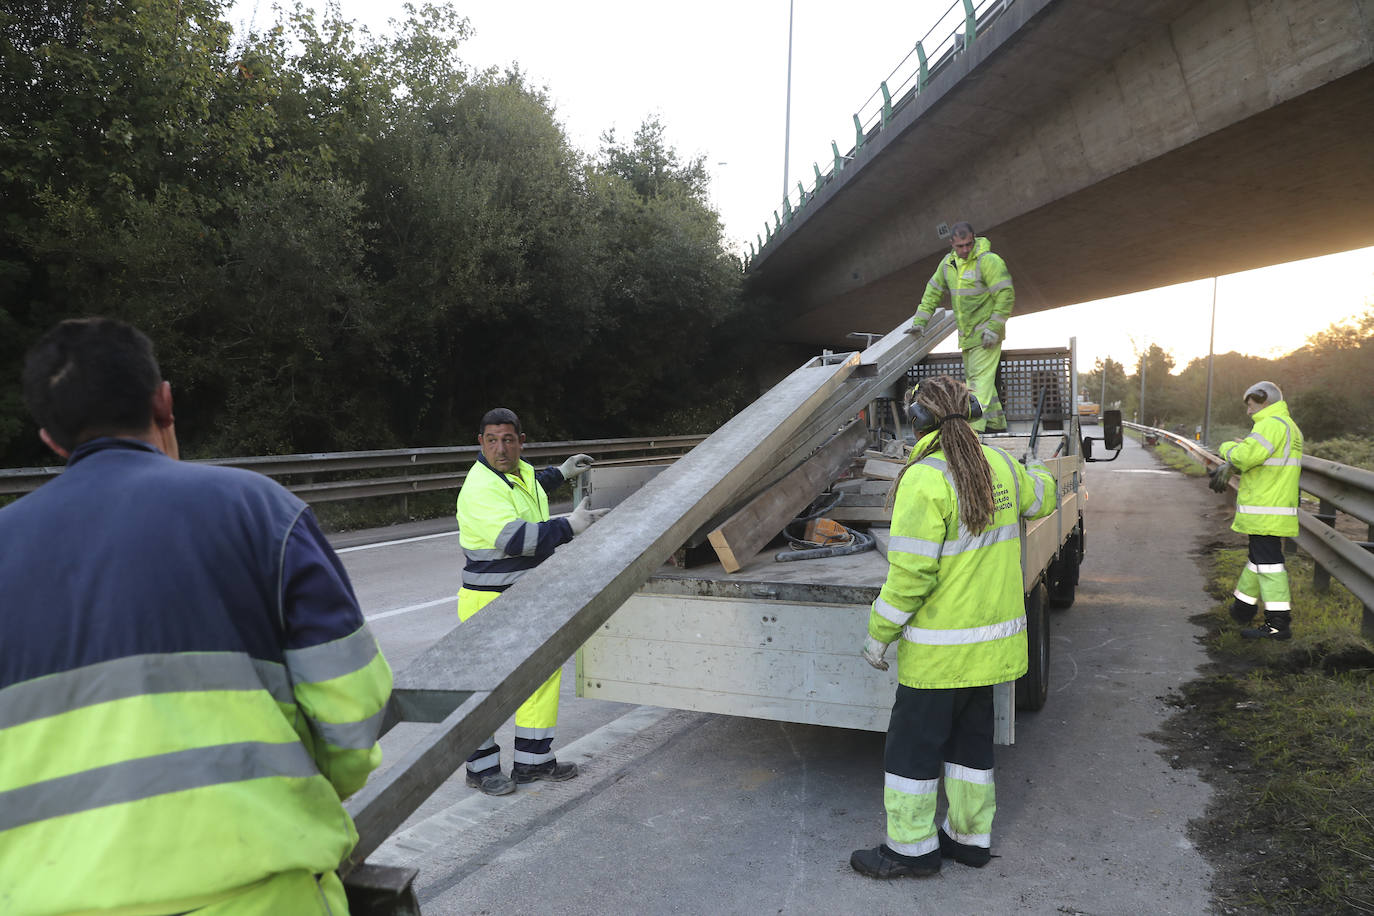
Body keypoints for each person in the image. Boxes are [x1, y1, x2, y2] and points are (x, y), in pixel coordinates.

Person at [0, 317, 392, 915]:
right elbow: (353, 711)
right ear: (164, 401)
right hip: (259, 896)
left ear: (51, 441)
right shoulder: (260, 512)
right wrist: (290, 790)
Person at [851, 375, 1056, 879]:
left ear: (919, 421)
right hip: (989, 654)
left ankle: (910, 850)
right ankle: (969, 840)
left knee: (912, 753)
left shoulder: (924, 478)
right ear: (976, 412)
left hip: (937, 658)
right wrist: (1041, 473)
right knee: (970, 751)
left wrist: (879, 635)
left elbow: (910, 577)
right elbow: (1042, 499)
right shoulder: (1002, 466)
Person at [456, 407, 608, 795]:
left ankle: (533, 762)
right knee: (486, 686)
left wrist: (562, 472)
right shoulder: (480, 487)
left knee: (541, 675)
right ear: (481, 442)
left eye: (508, 439)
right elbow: (515, 539)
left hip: (529, 598)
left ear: (521, 442)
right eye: (492, 440)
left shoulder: (518, 471)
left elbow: (532, 485)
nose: (500, 448)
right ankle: (481, 768)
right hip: (489, 603)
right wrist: (569, 526)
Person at [1211, 380, 1304, 640]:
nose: (1249, 412)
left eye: (1251, 406)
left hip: (1267, 509)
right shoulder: (1287, 426)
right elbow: (1259, 460)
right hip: (1273, 508)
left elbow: (1244, 457)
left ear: (1263, 400)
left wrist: (1228, 448)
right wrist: (1243, 451)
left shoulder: (1271, 425)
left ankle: (1277, 625)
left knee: (1270, 565)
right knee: (1258, 560)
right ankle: (1242, 609)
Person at [905, 222, 1014, 433]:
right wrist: (920, 322)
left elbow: (1005, 295)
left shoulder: (988, 261)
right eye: (960, 246)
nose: (965, 250)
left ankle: (974, 429)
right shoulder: (948, 265)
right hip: (967, 337)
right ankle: (995, 422)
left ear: (974, 238)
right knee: (977, 380)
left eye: (968, 244)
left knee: (978, 383)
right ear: (951, 243)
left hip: (987, 335)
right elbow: (932, 293)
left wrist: (993, 327)